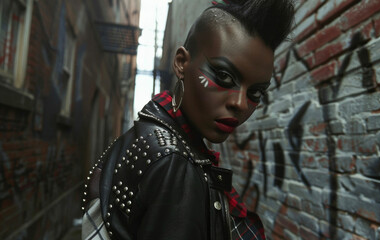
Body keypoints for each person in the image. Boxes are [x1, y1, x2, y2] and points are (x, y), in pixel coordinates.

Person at [81, 0, 295, 239]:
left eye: (255, 93)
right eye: (224, 76)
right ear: (182, 63)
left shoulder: (149, 131)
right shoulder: (175, 163)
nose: (241, 103)